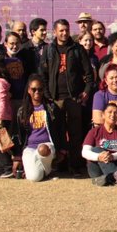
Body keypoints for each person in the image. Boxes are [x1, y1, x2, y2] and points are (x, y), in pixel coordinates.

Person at [39, 19, 96, 174]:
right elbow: (42, 74)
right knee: (56, 132)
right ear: (55, 32)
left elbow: (89, 74)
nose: (64, 33)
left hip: (73, 98)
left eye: (66, 30)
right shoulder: (49, 50)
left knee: (75, 133)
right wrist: (46, 94)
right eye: (61, 30)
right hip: (55, 98)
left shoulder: (77, 49)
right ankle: (59, 164)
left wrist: (86, 91)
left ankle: (76, 165)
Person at [15, 75, 65, 182]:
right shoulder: (22, 111)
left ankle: (46, 167)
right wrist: (17, 157)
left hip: (47, 146)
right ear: (29, 90)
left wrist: (62, 150)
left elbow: (61, 128)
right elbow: (20, 135)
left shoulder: (51, 108)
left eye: (40, 89)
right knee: (34, 178)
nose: (37, 92)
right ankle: (45, 170)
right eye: (34, 89)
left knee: (42, 149)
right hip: (30, 147)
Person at [82, 102, 117, 187]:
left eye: (116, 113)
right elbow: (85, 152)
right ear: (103, 115)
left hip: (116, 162)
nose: (113, 114)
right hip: (97, 167)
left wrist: (112, 156)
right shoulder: (94, 131)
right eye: (110, 112)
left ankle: (107, 178)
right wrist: (99, 156)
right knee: (96, 150)